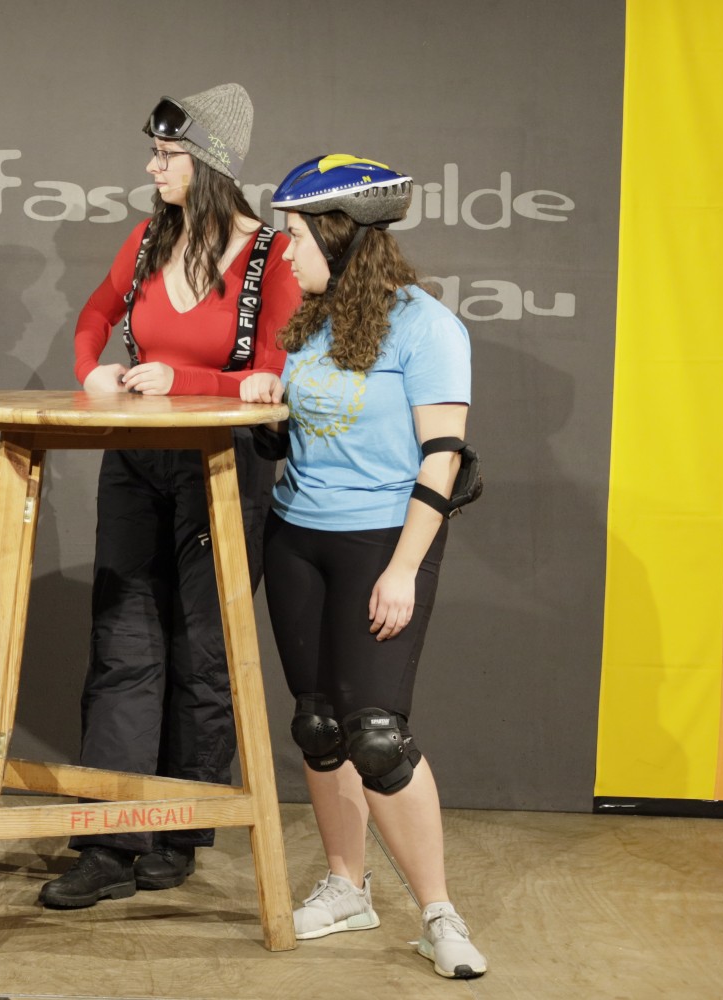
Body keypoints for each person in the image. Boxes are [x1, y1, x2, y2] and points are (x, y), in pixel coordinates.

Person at [46, 84, 302, 909]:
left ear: (209, 163)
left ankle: (179, 827)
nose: (152, 169)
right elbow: (95, 314)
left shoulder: (270, 256)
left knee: (201, 647)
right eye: (153, 155)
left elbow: (271, 373)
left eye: (167, 156)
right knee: (123, 641)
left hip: (222, 467)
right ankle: (107, 838)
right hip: (137, 459)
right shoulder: (148, 238)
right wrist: (92, 370)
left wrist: (183, 380)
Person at [247, 154, 486, 979]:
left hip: (380, 542)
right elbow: (310, 431)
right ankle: (347, 887)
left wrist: (403, 569)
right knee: (317, 725)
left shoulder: (425, 327)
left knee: (376, 736)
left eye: (293, 237)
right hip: (296, 538)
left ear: (337, 235)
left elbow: (443, 458)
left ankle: (438, 913)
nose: (284, 253)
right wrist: (268, 413)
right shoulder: (312, 322)